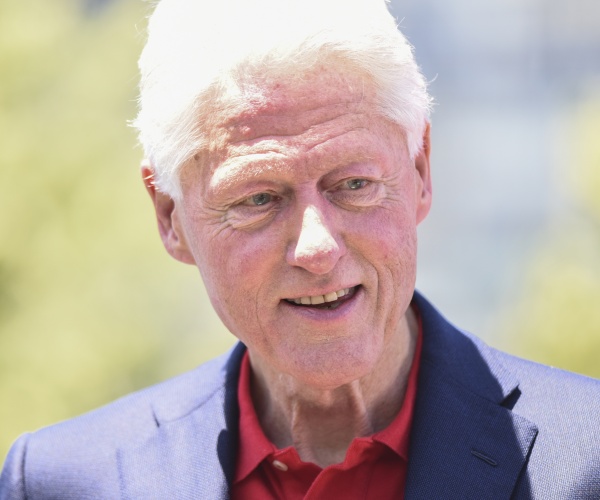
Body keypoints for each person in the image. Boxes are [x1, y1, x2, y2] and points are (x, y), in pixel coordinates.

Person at [1, 0, 599, 498]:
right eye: (258, 199)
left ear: (420, 171)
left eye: (355, 185)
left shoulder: (586, 460)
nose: (316, 247)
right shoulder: (63, 480)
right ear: (170, 218)